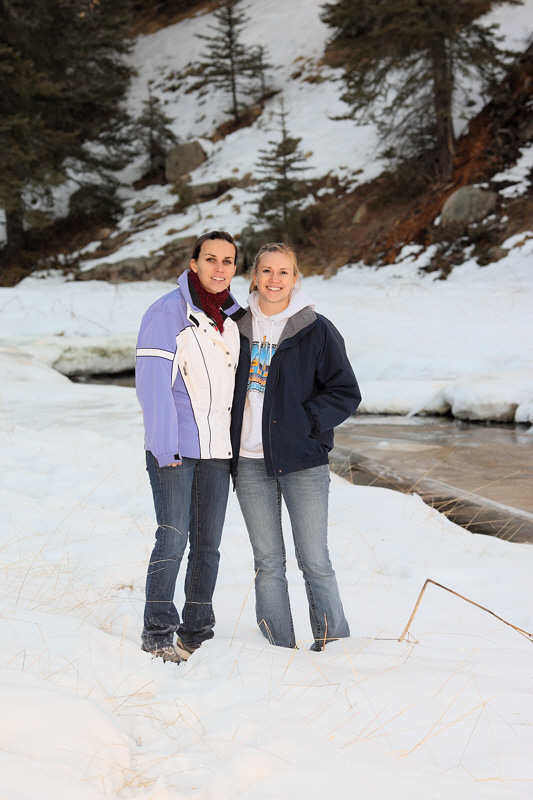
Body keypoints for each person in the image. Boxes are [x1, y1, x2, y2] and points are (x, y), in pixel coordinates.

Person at [231, 243, 361, 651]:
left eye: (283, 272)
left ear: (295, 278)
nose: (274, 279)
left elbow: (344, 392)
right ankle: (275, 646)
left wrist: (305, 423)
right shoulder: (233, 326)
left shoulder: (315, 328)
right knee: (268, 562)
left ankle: (333, 641)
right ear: (254, 277)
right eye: (266, 271)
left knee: (314, 561)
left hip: (302, 460)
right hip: (249, 462)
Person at [136, 231, 244, 663]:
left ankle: (197, 628)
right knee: (173, 539)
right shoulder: (168, 312)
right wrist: (164, 449)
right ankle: (158, 630)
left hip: (217, 451)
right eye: (211, 259)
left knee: (208, 544)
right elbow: (153, 386)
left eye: (229, 261)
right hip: (176, 450)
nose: (219, 268)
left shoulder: (233, 320)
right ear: (194, 263)